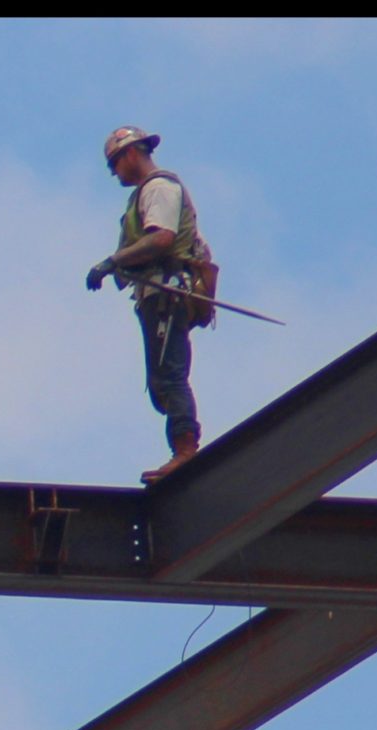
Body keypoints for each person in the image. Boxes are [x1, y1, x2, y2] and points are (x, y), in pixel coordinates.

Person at [85, 126, 216, 485]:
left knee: (170, 375)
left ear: (130, 153)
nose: (115, 174)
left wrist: (114, 260)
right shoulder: (147, 192)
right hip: (157, 294)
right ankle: (181, 446)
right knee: (161, 380)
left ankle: (185, 450)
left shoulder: (159, 188)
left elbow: (162, 238)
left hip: (168, 291)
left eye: (114, 164)